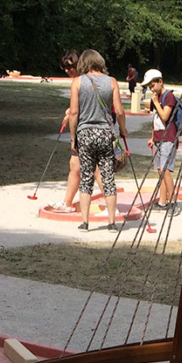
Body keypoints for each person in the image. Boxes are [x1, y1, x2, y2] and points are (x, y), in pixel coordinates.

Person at [68, 49, 128, 232]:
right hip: (105, 134)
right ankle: (111, 222)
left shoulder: (78, 82)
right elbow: (118, 110)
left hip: (85, 133)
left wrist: (73, 138)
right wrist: (123, 130)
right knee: (108, 177)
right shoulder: (112, 82)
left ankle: (85, 222)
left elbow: (74, 113)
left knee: (86, 178)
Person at [49, 50, 104, 213]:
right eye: (64, 67)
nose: (67, 70)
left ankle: (111, 204)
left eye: (70, 66)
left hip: (89, 129)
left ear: (78, 64)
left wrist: (71, 116)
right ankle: (67, 202)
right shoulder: (79, 81)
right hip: (84, 128)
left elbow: (86, 106)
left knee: (96, 168)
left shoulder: (84, 81)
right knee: (75, 166)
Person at [140, 69, 180, 216]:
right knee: (160, 171)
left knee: (165, 170)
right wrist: (152, 137)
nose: (151, 89)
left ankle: (173, 202)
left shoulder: (169, 97)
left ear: (160, 82)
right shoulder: (155, 98)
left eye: (152, 85)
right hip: (158, 137)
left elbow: (164, 115)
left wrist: (156, 101)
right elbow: (155, 118)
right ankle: (162, 202)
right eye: (149, 87)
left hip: (168, 137)